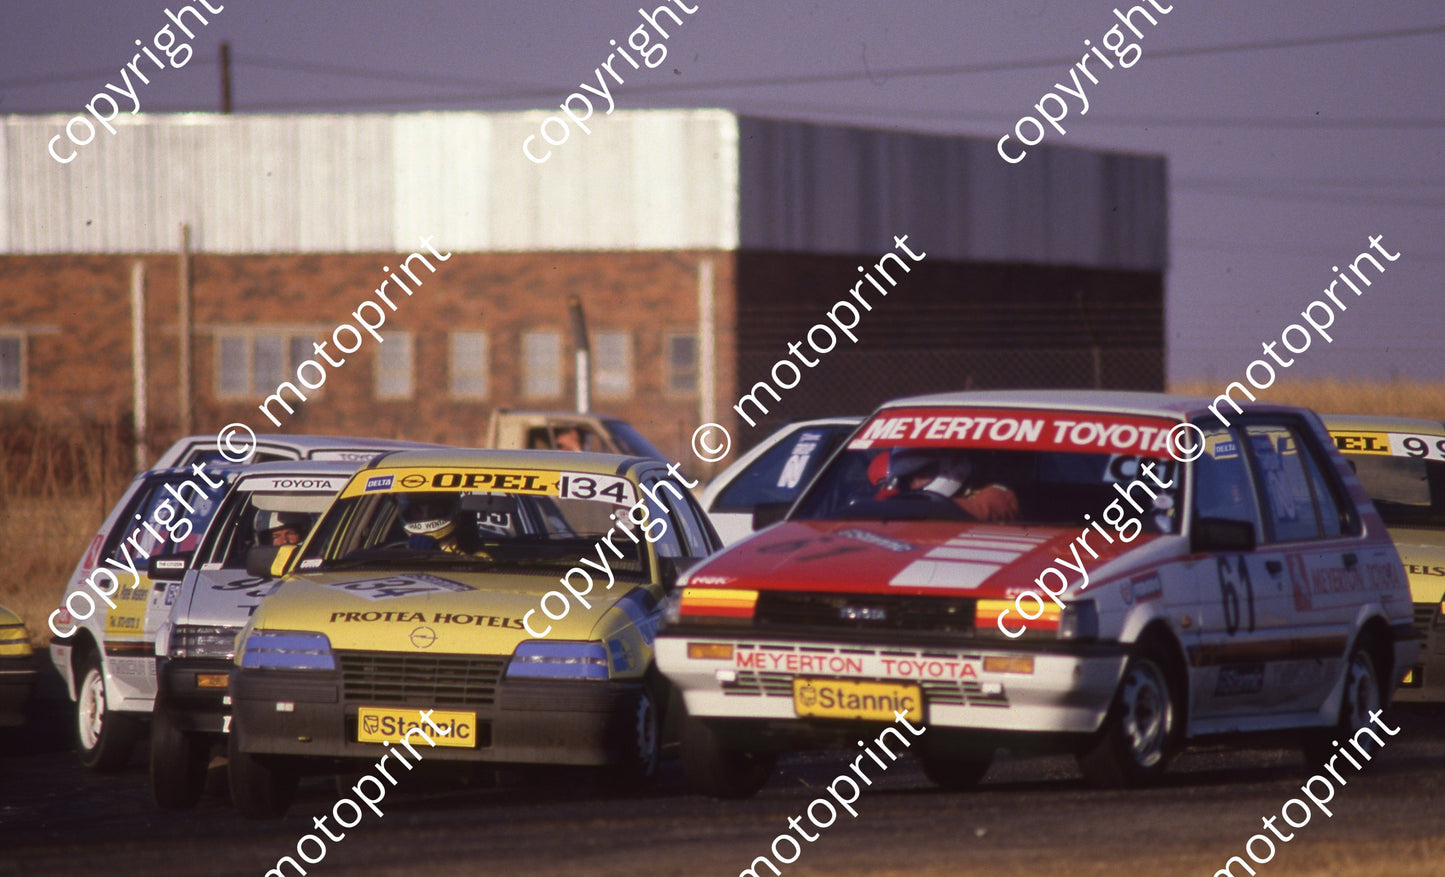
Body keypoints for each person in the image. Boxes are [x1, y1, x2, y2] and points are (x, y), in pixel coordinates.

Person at [877, 448, 1020, 522]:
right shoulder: (896, 493)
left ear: (951, 466)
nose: (912, 485)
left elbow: (991, 506)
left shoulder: (996, 494)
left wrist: (911, 507)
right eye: (906, 477)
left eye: (921, 474)